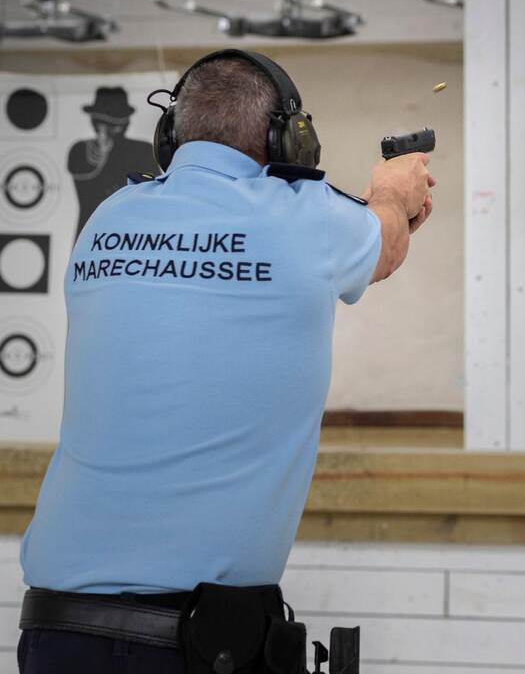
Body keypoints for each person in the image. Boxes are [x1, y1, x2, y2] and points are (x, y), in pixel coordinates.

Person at [16, 49, 435, 674]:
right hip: (194, 646)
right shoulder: (308, 216)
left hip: (56, 631)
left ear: (170, 134)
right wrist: (395, 192)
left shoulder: (110, 216)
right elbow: (386, 242)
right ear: (289, 139)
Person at [66, 86, 159, 237]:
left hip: (131, 233)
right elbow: (83, 171)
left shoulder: (142, 150)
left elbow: (151, 187)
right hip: (93, 234)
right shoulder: (81, 150)